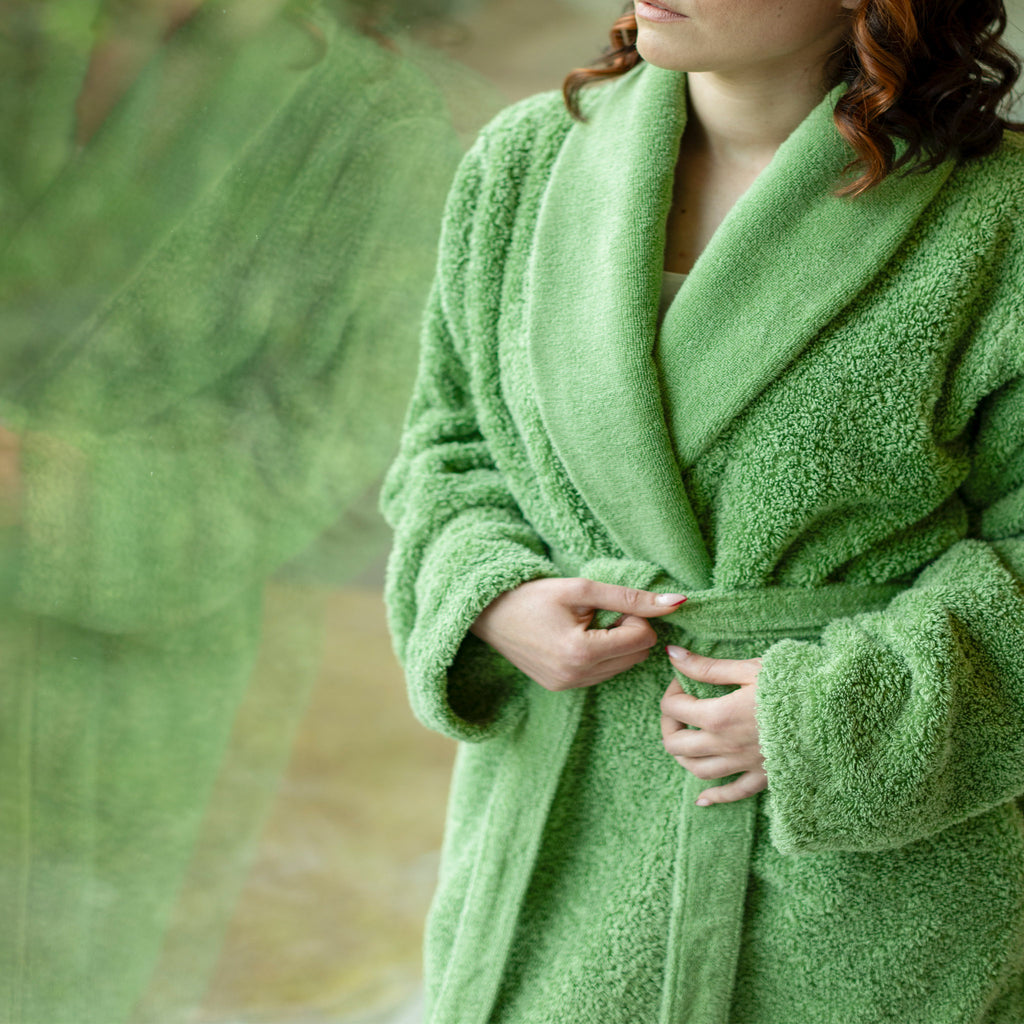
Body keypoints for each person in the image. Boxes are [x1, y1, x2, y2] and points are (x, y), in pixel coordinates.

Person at [383, 0, 1024, 1021]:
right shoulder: (525, 164)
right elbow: (450, 440)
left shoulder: (996, 218)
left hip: (852, 891)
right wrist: (489, 593)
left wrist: (843, 716)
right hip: (558, 844)